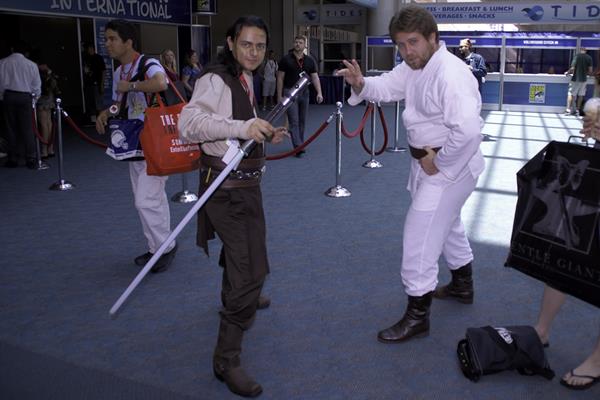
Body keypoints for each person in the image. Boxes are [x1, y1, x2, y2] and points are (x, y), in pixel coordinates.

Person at [336, 5, 484, 344]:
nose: (407, 51)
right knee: (447, 224)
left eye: (413, 42)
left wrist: (441, 162)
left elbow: (468, 131)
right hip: (428, 163)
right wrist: (361, 83)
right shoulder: (415, 66)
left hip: (449, 168)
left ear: (433, 37)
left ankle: (418, 316)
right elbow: (387, 86)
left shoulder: (451, 74)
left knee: (419, 235)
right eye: (401, 45)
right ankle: (463, 284)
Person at [178, 15, 287, 398]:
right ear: (230, 43)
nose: (253, 52)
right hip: (225, 190)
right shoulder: (215, 79)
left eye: (260, 45)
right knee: (250, 269)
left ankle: (235, 295)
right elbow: (189, 124)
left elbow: (236, 124)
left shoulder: (243, 77)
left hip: (246, 186)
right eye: (246, 44)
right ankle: (226, 359)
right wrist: (242, 128)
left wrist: (262, 133)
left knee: (246, 252)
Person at [95, 19, 177, 273]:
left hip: (155, 140)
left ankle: (165, 247)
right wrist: (106, 113)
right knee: (150, 198)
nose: (107, 44)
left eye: (112, 39)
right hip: (135, 142)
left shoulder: (147, 63)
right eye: (106, 39)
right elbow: (120, 104)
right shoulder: (119, 71)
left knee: (146, 200)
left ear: (128, 42)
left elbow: (161, 83)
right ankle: (156, 247)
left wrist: (130, 85)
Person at [276, 35, 323, 158]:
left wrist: (319, 92)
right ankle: (298, 147)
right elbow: (280, 78)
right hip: (290, 93)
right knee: (294, 121)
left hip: (304, 93)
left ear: (304, 45)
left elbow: (315, 77)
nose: (297, 44)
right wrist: (279, 95)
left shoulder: (309, 60)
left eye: (300, 42)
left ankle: (300, 143)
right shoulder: (286, 59)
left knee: (302, 121)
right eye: (296, 42)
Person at [0, 40, 41, 169]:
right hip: (25, 97)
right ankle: (31, 157)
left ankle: (13, 158)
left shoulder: (3, 62)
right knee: (28, 128)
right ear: (26, 52)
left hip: (9, 95)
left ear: (12, 49)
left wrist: (2, 97)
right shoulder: (31, 65)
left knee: (10, 128)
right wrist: (34, 99)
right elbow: (36, 85)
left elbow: (1, 83)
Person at [36, 63, 60, 158]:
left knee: (44, 124)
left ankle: (44, 149)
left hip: (41, 99)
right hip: (49, 98)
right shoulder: (50, 75)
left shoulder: (37, 73)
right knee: (49, 123)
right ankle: (50, 148)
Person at [564, 47, 593, 116]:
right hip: (584, 80)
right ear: (586, 51)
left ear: (580, 50)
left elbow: (572, 68)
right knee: (581, 95)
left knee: (571, 94)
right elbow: (590, 70)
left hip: (575, 79)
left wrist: (567, 72)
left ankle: (568, 110)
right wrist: (589, 74)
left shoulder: (577, 56)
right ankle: (577, 110)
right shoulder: (589, 58)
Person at [82, 43, 106, 123]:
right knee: (90, 102)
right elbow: (85, 70)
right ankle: (93, 120)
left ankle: (101, 119)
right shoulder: (86, 58)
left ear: (93, 49)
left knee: (99, 102)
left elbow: (103, 71)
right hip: (88, 84)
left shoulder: (98, 58)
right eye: (88, 49)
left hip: (97, 83)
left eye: (91, 48)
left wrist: (102, 84)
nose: (90, 50)